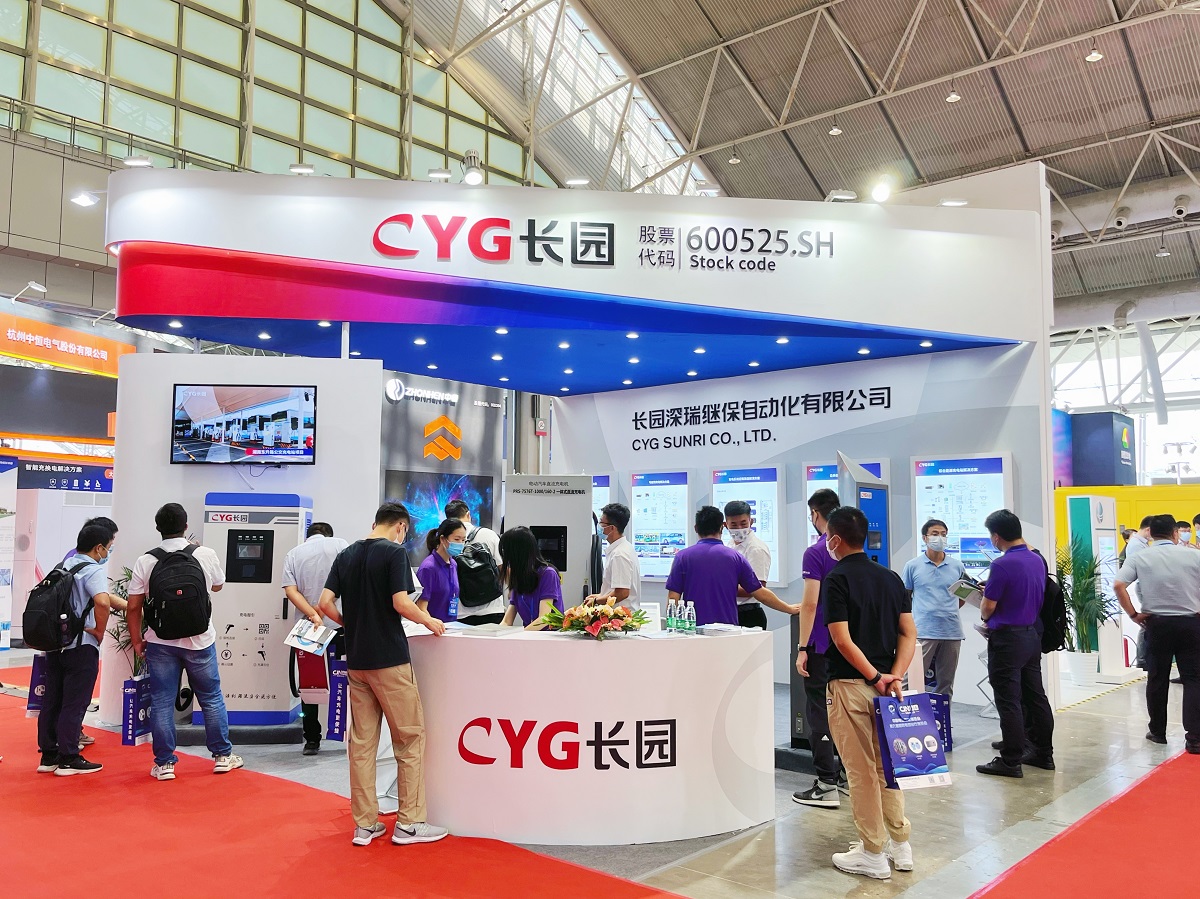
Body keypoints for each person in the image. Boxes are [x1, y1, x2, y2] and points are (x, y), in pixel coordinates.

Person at [317, 501, 448, 847]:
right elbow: (401, 603)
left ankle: (365, 825)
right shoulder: (394, 553)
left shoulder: (346, 555)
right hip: (390, 660)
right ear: (401, 527)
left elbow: (324, 603)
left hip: (357, 662)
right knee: (410, 738)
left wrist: (351, 625)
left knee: (362, 745)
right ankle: (410, 823)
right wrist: (429, 621)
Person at [821, 507, 917, 881]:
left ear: (835, 539)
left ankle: (873, 853)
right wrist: (894, 676)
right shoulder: (891, 578)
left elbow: (841, 640)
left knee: (860, 772)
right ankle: (900, 844)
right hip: (887, 690)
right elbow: (908, 632)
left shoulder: (836, 579)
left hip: (851, 686)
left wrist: (875, 676)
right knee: (887, 768)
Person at [127, 503, 242, 781]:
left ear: (158, 528)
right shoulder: (204, 554)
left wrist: (137, 640)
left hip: (160, 642)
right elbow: (218, 585)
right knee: (211, 698)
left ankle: (165, 764)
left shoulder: (146, 560)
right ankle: (222, 756)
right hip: (200, 640)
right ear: (186, 526)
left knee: (162, 701)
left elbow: (133, 606)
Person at [976, 509, 1055, 778]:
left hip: (1007, 640)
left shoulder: (1001, 565)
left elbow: (988, 607)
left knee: (1008, 700)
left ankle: (1010, 760)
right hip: (1031, 635)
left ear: (996, 537)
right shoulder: (1036, 559)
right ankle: (1043, 753)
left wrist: (985, 611)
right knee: (1035, 696)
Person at [1113, 513, 1200, 753]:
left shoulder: (1140, 557)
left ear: (1150, 533)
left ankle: (1158, 732)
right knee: (1194, 679)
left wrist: (1133, 614)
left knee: (1157, 678)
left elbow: (1118, 585)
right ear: (1175, 533)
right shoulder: (1194, 555)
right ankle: (1195, 738)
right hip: (1190, 624)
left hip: (1157, 624)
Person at [35, 520, 115, 776]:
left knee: (52, 700)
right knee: (75, 702)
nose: (109, 552)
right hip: (81, 646)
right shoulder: (93, 569)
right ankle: (69, 757)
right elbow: (102, 602)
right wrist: (100, 631)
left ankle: (49, 755)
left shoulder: (64, 565)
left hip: (56, 644)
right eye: (109, 546)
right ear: (99, 547)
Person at [793, 488, 848, 808]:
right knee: (844, 710)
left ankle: (826, 783)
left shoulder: (816, 552)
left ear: (815, 514)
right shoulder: (850, 550)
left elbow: (810, 603)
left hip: (820, 644)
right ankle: (845, 777)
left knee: (819, 711)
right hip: (848, 645)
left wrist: (802, 647)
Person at [665, 506, 799, 627]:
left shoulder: (682, 557)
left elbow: (673, 597)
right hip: (728, 629)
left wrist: (671, 628)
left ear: (696, 528)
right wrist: (789, 608)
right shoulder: (734, 556)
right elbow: (760, 592)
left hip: (692, 627)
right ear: (722, 527)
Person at [281, 521, 350, 756]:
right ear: (329, 535)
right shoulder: (340, 545)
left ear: (308, 536)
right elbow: (348, 580)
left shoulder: (293, 553)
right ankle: (349, 735)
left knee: (310, 685)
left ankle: (311, 739)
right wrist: (323, 609)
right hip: (339, 624)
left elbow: (290, 590)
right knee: (346, 680)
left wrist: (313, 614)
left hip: (308, 629)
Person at [902, 519, 967, 699]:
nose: (940, 538)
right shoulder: (912, 566)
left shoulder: (957, 566)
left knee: (946, 684)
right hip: (923, 631)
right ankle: (907, 714)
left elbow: (963, 597)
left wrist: (947, 609)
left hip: (951, 632)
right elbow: (905, 598)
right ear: (925, 538)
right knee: (911, 680)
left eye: (944, 534)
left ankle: (943, 717)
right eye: (935, 534)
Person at [444, 500, 505, 625]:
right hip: (492, 608)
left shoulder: (446, 538)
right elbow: (502, 568)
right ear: (468, 514)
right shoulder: (489, 534)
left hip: (462, 611)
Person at [499, 527, 565, 629]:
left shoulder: (548, 574)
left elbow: (544, 618)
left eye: (507, 552)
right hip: (530, 635)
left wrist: (521, 635)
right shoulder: (518, 577)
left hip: (549, 636)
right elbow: (507, 621)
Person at [724, 500, 771, 630]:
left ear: (751, 521)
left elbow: (758, 587)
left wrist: (723, 588)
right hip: (731, 613)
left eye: (743, 523)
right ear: (725, 525)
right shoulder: (729, 545)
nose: (739, 528)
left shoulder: (756, 549)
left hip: (749, 614)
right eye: (734, 524)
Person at [585, 503, 641, 611]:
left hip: (621, 617)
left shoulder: (619, 554)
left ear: (611, 528)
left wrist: (596, 601)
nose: (598, 526)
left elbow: (622, 593)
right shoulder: (624, 548)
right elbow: (616, 589)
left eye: (601, 523)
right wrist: (600, 596)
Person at [416, 519, 467, 622]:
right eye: (457, 539)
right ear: (443, 539)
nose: (460, 544)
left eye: (463, 540)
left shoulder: (453, 564)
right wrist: (433, 624)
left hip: (451, 626)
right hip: (432, 628)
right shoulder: (428, 568)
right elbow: (421, 608)